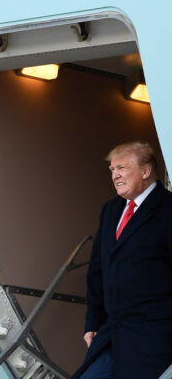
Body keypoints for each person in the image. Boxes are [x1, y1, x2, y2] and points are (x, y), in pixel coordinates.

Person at [71, 141, 172, 379]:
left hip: (154, 335)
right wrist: (92, 322)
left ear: (145, 171)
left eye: (122, 168)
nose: (115, 175)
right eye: (112, 170)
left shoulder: (168, 208)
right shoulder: (111, 209)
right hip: (112, 331)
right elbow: (98, 270)